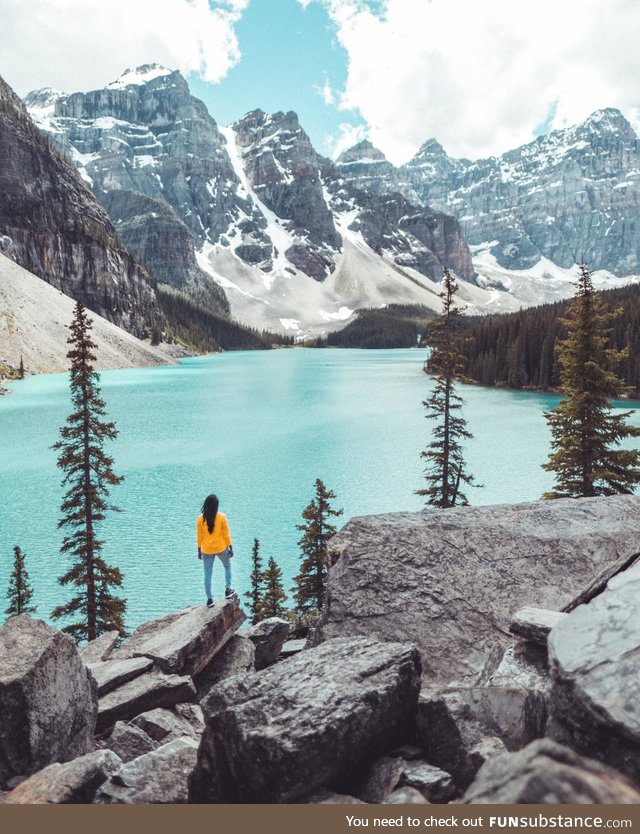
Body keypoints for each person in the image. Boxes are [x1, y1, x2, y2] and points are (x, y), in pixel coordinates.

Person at [196, 494, 235, 607]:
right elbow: (226, 534)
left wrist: (199, 550)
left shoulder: (200, 519)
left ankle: (209, 599)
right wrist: (230, 547)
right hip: (221, 547)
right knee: (227, 566)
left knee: (207, 574)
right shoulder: (222, 517)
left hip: (207, 549)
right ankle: (228, 589)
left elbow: (199, 535)